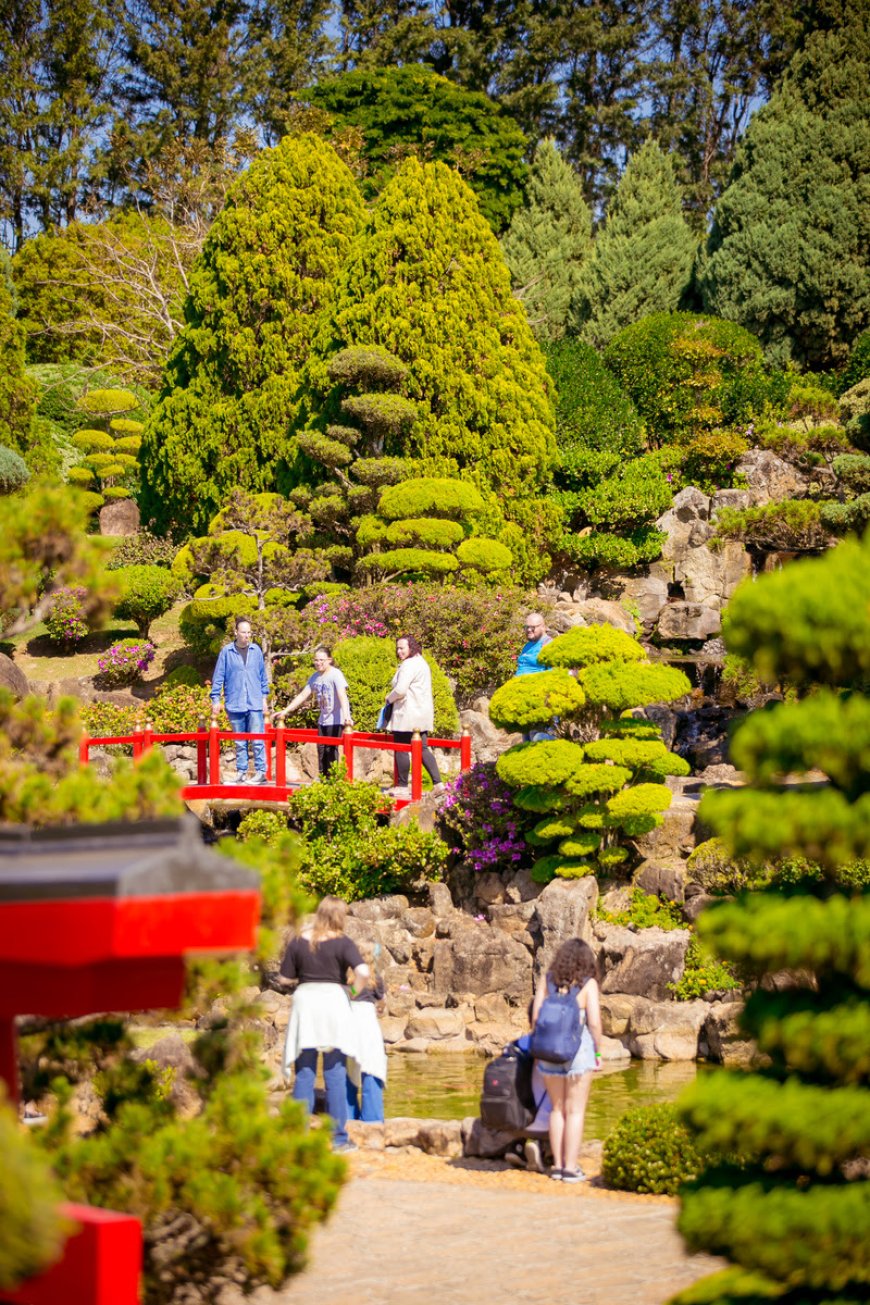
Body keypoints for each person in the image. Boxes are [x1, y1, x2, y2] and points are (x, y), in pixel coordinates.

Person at [280, 896, 369, 1153]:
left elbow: (285, 978)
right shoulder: (342, 942)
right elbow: (363, 972)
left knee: (304, 1074)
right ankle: (338, 1139)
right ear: (339, 917)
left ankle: (298, 1139)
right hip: (333, 1003)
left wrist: (305, 975)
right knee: (335, 1074)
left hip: (306, 1003)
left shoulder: (299, 939)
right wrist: (351, 992)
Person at [531, 938, 603, 1183]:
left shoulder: (547, 980)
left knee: (557, 1109)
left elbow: (535, 1018)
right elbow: (593, 1023)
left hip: (549, 1052)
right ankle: (571, 1168)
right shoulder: (588, 985)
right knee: (575, 1111)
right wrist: (598, 1052)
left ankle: (558, 1167)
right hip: (578, 1054)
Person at [210, 616, 270, 784]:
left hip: (255, 702)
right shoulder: (227, 652)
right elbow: (219, 677)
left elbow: (262, 676)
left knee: (257, 739)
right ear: (236, 632)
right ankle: (242, 772)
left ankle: (261, 772)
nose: (246, 635)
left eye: (249, 632)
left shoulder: (256, 650)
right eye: (243, 632)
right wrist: (216, 699)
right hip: (235, 702)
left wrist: (264, 697)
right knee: (240, 741)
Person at [277, 646, 352, 777]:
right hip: (323, 719)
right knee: (321, 749)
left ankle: (333, 780)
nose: (318, 663)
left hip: (336, 720)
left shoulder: (335, 674)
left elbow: (342, 695)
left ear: (329, 660)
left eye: (322, 660)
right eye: (316, 660)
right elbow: (302, 696)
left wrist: (347, 716)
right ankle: (323, 778)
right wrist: (286, 710)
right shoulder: (315, 677)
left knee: (331, 750)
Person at [384, 634, 443, 798]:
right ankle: (438, 783)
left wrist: (389, 698)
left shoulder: (409, 664)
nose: (399, 651)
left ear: (411, 647)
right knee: (422, 748)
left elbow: (401, 690)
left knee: (401, 748)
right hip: (421, 714)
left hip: (407, 714)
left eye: (402, 648)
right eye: (397, 648)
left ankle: (402, 786)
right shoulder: (422, 662)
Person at [346, 942, 387, 1123]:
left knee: (348, 1070)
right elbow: (382, 1003)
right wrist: (381, 1008)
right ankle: (372, 1119)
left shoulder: (345, 979)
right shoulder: (376, 979)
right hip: (367, 1023)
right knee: (372, 1068)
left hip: (348, 1022)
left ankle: (348, 1117)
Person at [515, 612, 556, 742]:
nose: (528, 630)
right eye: (526, 627)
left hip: (541, 703)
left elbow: (554, 676)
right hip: (526, 703)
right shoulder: (527, 646)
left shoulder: (548, 645)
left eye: (533, 627)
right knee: (526, 742)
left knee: (539, 739)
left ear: (543, 627)